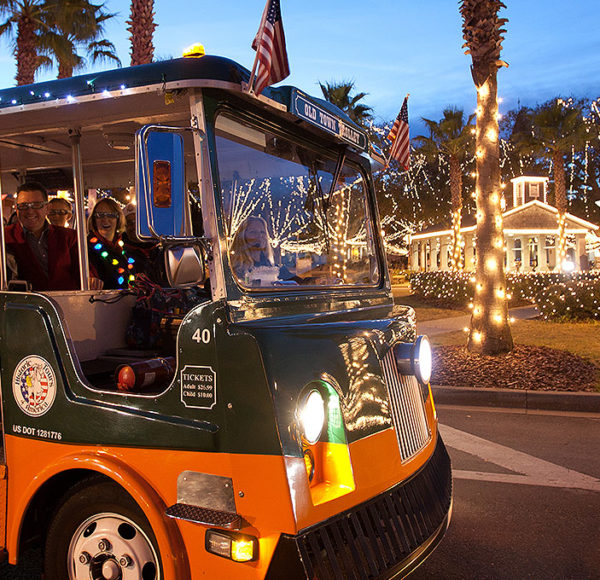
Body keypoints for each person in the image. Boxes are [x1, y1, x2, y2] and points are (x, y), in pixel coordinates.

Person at [4, 181, 95, 291]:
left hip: (67, 303)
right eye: (23, 206)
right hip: (26, 304)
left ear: (47, 208)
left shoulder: (69, 237)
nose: (30, 211)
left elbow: (85, 271)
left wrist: (91, 279)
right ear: (17, 209)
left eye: (36, 205)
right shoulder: (5, 237)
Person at [229, 216, 296, 285]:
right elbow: (244, 286)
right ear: (242, 236)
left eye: (262, 232)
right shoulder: (237, 267)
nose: (259, 235)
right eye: (253, 232)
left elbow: (297, 281)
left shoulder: (272, 266)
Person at [88, 197, 137, 289]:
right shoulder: (86, 247)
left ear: (118, 218)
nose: (105, 219)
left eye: (111, 215)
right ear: (94, 219)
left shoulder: (125, 245)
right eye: (100, 215)